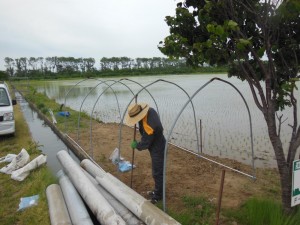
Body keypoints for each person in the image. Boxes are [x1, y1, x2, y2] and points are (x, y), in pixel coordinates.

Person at [125, 102, 166, 204]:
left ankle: (158, 196)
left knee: (157, 172)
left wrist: (137, 145)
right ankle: (157, 191)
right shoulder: (149, 111)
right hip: (156, 144)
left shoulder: (150, 126)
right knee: (157, 171)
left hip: (158, 147)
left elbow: (145, 143)